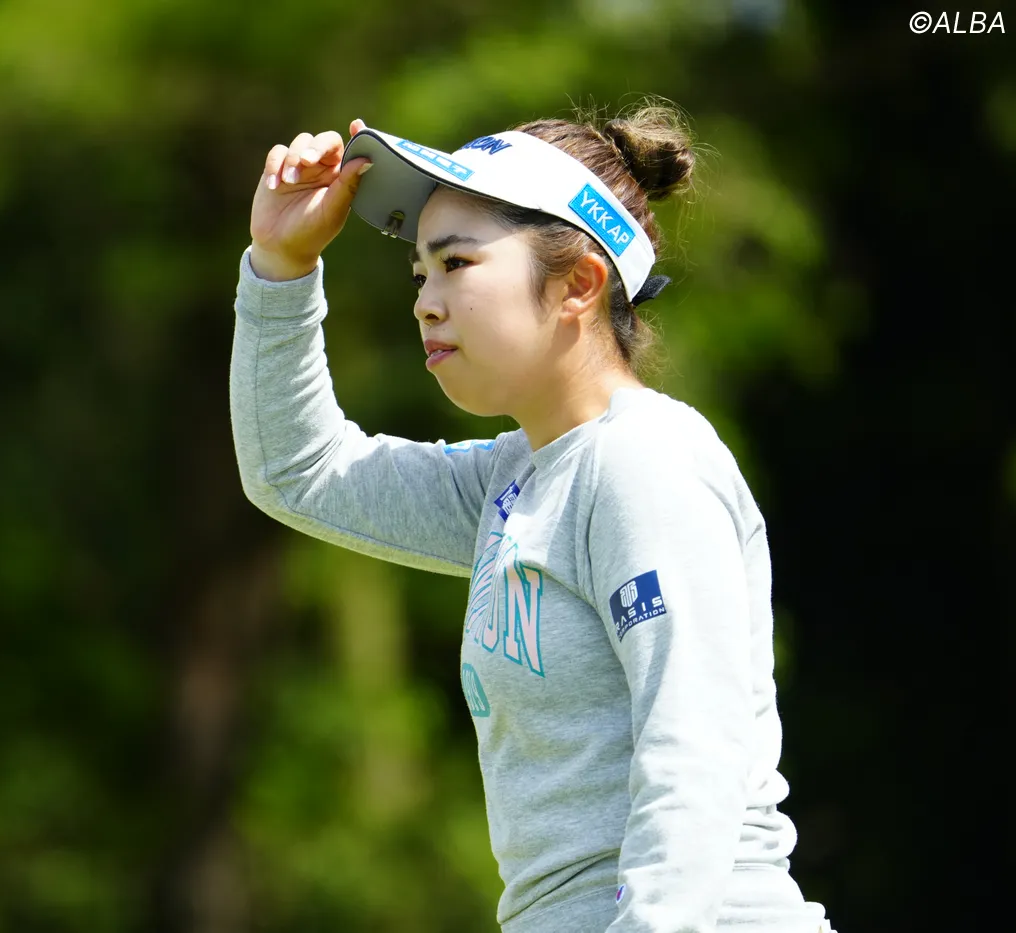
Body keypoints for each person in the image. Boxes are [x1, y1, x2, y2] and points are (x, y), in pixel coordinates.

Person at [229, 104, 835, 933]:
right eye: (419, 274)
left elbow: (692, 754)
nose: (425, 302)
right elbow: (299, 471)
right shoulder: (515, 481)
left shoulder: (645, 462)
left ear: (578, 284)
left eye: (456, 263)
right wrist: (281, 264)